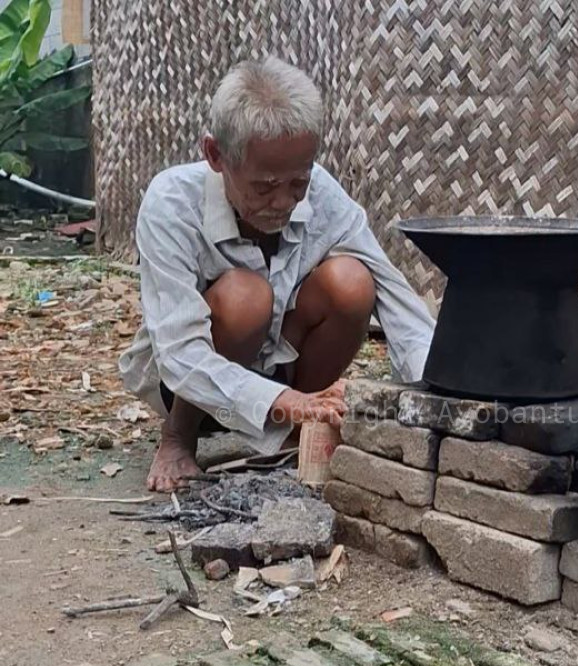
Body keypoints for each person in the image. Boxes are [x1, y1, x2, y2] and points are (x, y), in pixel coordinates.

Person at [119, 57, 435, 492]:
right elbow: (179, 352)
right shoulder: (172, 202)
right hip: (189, 391)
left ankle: (296, 434)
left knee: (353, 282)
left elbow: (399, 304)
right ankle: (179, 438)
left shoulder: (321, 192)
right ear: (215, 155)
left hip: (283, 377)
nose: (283, 201)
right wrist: (290, 403)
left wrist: (445, 393)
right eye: (264, 187)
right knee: (245, 298)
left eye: (297, 184)